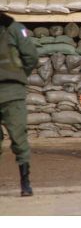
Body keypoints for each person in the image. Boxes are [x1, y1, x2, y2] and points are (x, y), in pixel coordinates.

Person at [0, 12, 39, 197]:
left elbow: (30, 56)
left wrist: (18, 76)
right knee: (19, 137)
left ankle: (25, 182)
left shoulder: (14, 28)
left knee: (18, 138)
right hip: (12, 91)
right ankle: (25, 183)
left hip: (11, 91)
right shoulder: (15, 28)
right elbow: (31, 57)